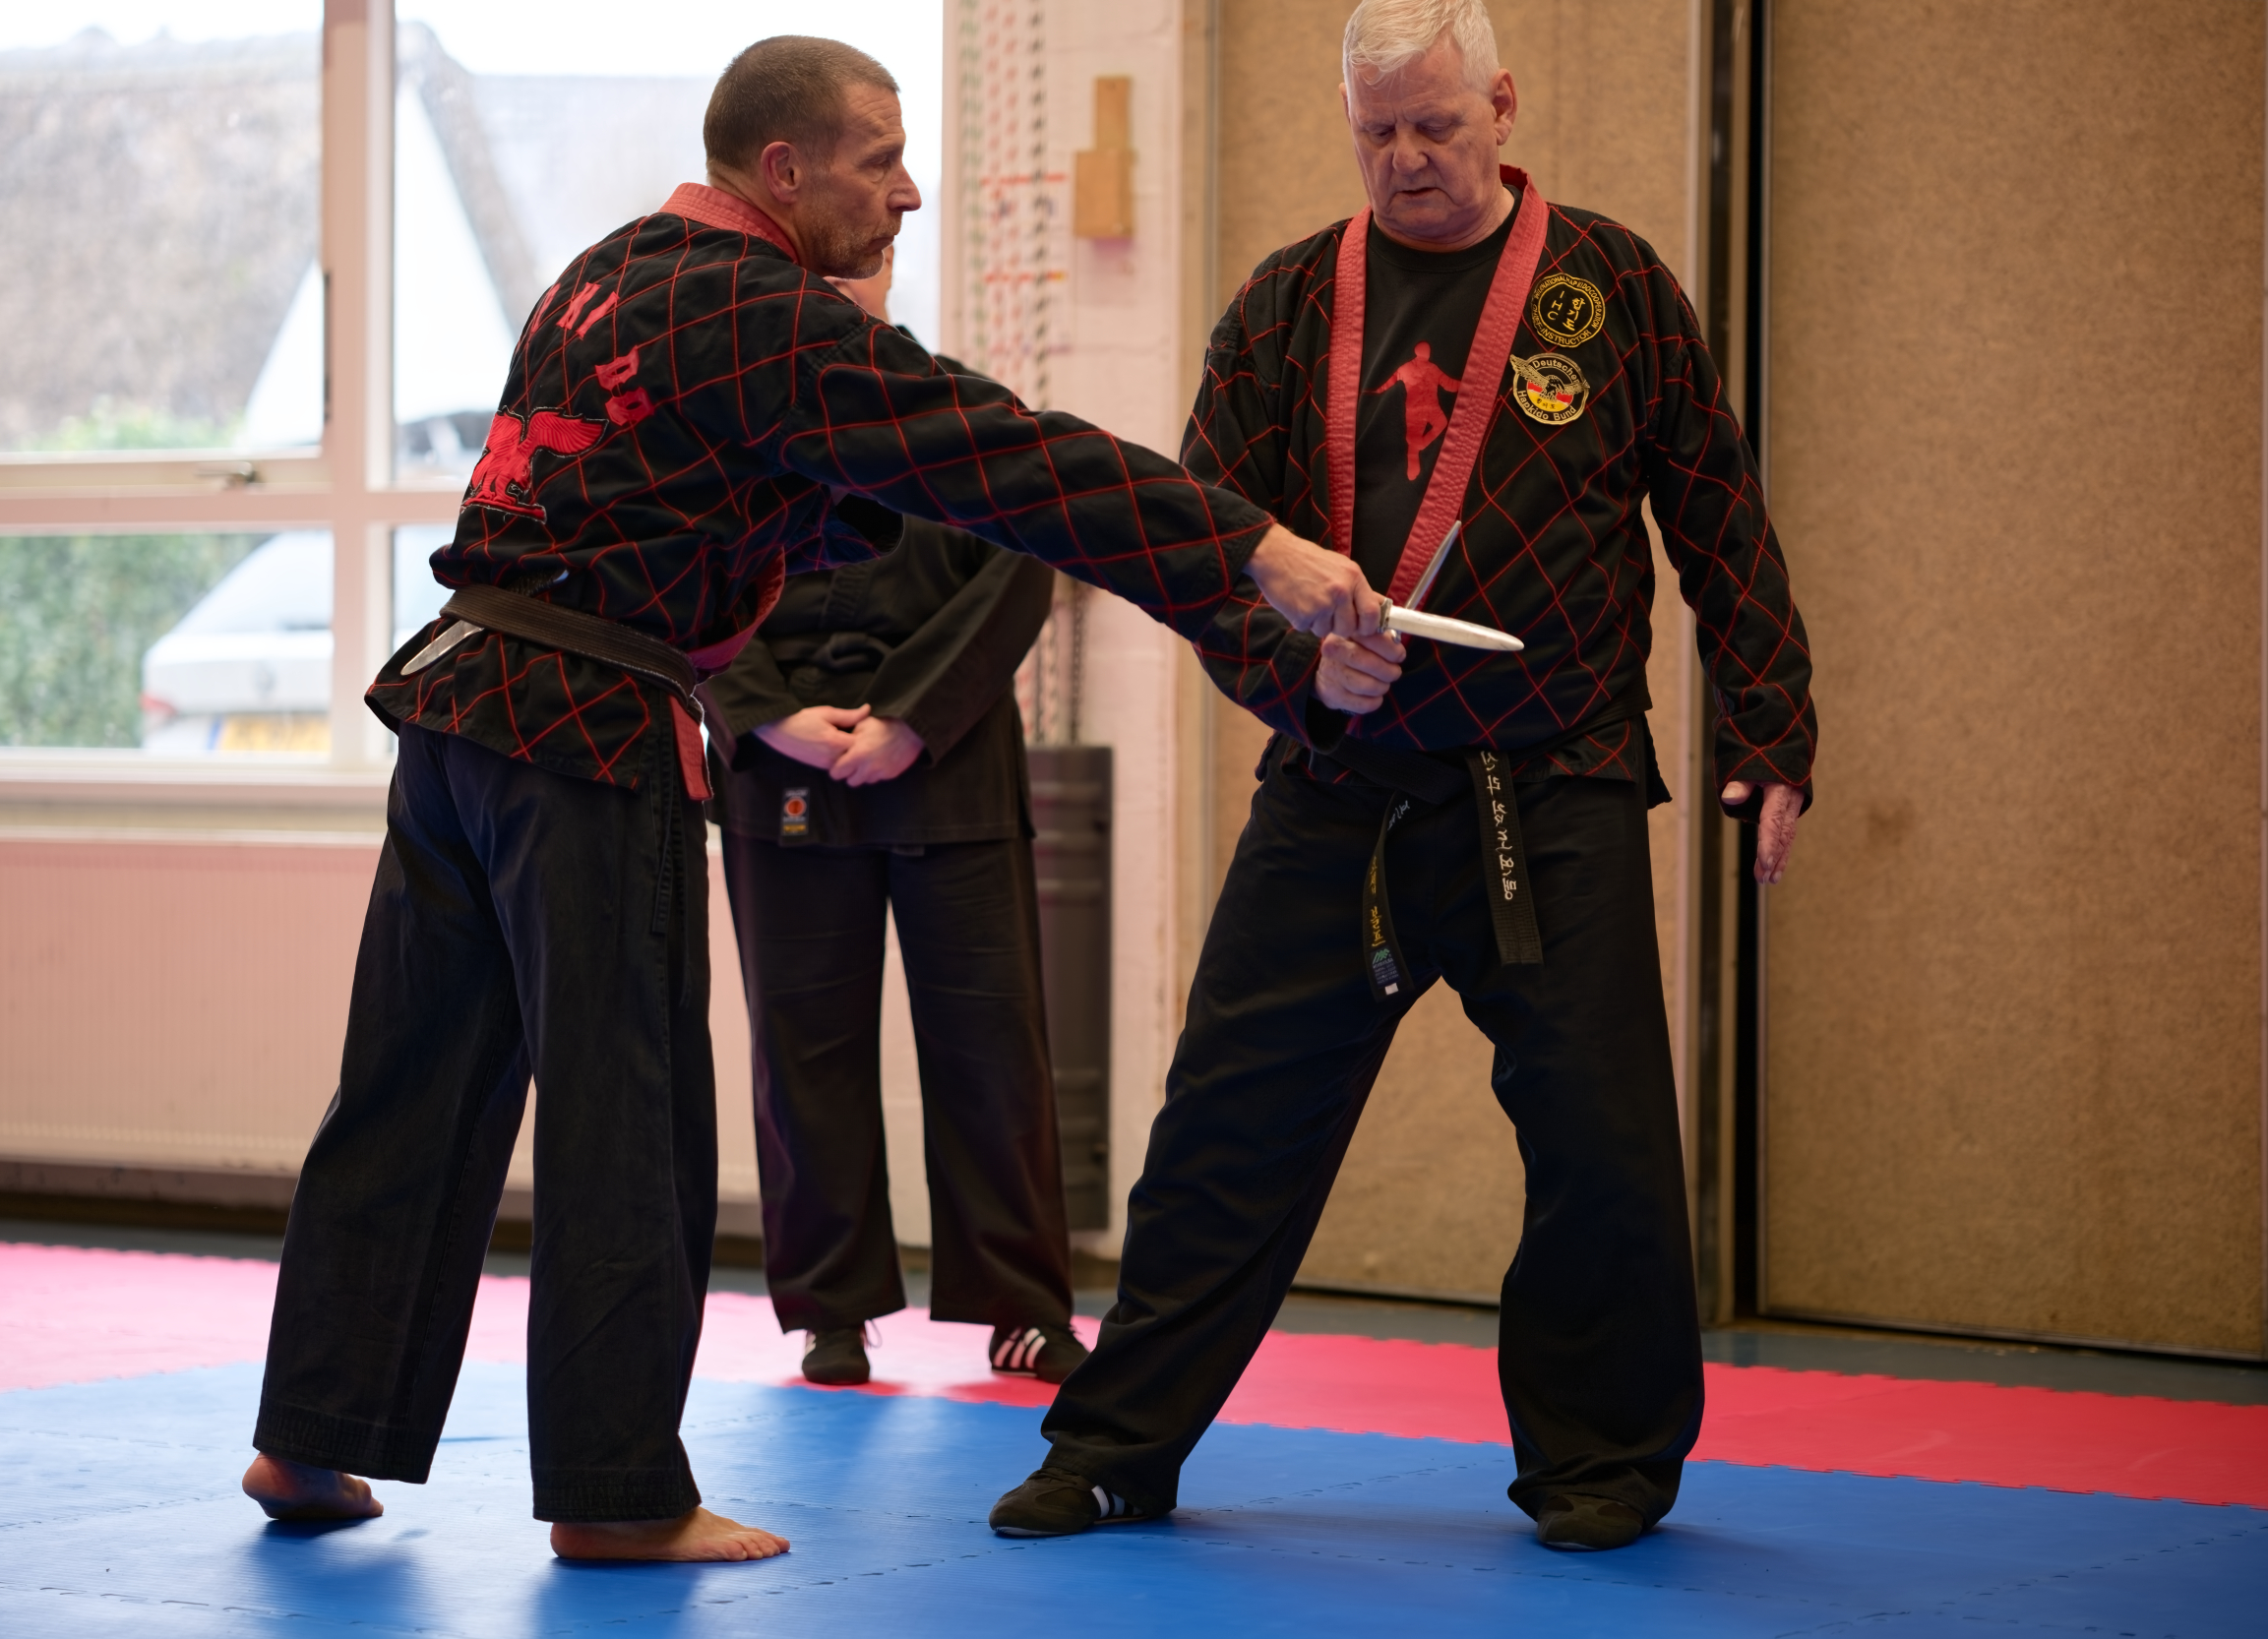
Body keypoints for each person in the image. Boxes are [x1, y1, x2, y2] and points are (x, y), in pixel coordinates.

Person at [238, 34, 1382, 1564]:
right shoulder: (761, 308)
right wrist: (1253, 547)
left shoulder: (606, 271)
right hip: (586, 723)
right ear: (782, 169)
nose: (907, 192)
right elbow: (1011, 457)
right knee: (628, 1109)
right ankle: (617, 1493)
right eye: (877, 159)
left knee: (410, 1089)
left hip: (459, 713)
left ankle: (311, 1436)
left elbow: (731, 495)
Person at [989, 0, 1815, 1553]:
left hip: (1553, 784)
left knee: (1602, 1144)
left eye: (1435, 123)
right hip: (1342, 787)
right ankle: (1111, 1447)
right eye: (1377, 131)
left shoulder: (1612, 286)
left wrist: (1772, 730)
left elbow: (1718, 515)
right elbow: (1201, 548)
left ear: (1502, 105)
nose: (1407, 156)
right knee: (1224, 1125)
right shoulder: (1290, 300)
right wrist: (1295, 670)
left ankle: (1600, 1466)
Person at [702, 248, 1089, 1391]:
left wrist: (915, 716)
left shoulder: (962, 412)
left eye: (849, 278)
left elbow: (1024, 563)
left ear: (884, 281)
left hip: (947, 763)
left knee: (991, 1048)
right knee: (803, 1051)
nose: (830, 299)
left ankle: (1022, 1308)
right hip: (783, 769)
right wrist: (765, 714)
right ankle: (831, 1310)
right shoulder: (728, 435)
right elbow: (681, 582)